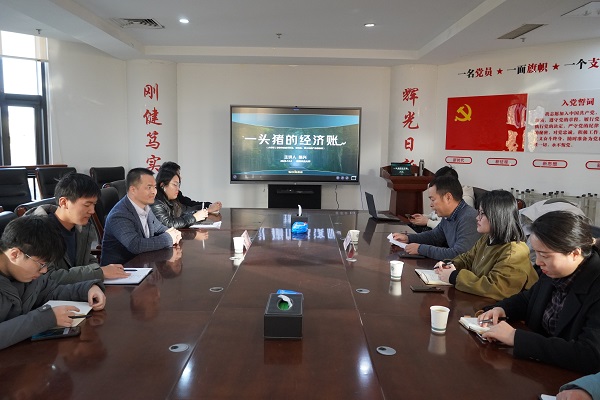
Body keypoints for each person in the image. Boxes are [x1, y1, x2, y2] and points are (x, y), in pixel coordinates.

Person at [478, 211, 600, 373]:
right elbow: (528, 299)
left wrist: (517, 338)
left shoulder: (595, 286)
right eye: (536, 253)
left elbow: (590, 354)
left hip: (567, 378)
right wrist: (502, 308)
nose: (538, 261)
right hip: (536, 368)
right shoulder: (552, 271)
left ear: (575, 253)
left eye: (545, 255)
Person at [0, 215, 106, 350]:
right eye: (41, 264)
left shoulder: (25, 275)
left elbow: (50, 291)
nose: (44, 270)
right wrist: (44, 319)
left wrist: (86, 289)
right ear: (15, 254)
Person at [25, 172, 129, 283]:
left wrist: (101, 271)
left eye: (94, 204)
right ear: (64, 202)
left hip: (78, 288)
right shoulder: (36, 232)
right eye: (87, 205)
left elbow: (87, 259)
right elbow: (48, 277)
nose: (92, 211)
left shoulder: (83, 229)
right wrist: (98, 272)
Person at [434, 190, 538, 300]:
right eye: (478, 212)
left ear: (498, 216)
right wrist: (449, 264)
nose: (477, 218)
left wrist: (454, 277)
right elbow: (468, 259)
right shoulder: (487, 238)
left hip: (505, 307)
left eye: (482, 214)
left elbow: (496, 287)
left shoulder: (514, 252)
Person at [100, 168, 182, 265]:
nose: (154, 192)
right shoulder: (119, 214)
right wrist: (168, 238)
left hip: (143, 264)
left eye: (155, 187)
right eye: (149, 187)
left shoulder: (145, 207)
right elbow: (135, 245)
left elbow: (159, 227)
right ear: (133, 190)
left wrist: (173, 233)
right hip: (122, 269)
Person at [392, 175, 480, 259]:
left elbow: (459, 254)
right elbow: (435, 236)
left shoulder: (469, 218)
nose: (431, 205)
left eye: (433, 200)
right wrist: (408, 238)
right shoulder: (449, 215)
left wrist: (421, 249)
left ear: (448, 197)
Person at [410, 166, 475, 230]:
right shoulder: (444, 196)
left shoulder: (465, 200)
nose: (431, 205)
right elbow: (441, 223)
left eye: (433, 200)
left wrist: (428, 222)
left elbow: (450, 227)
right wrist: (424, 217)